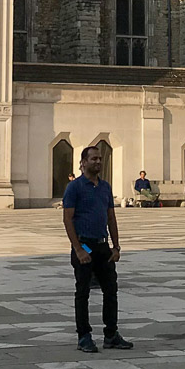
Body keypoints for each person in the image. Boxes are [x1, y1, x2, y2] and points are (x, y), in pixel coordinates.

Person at [62, 145, 134, 354]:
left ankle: (111, 334)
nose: (98, 162)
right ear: (83, 162)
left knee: (111, 290)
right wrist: (78, 249)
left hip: (102, 244)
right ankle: (84, 336)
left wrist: (116, 246)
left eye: (100, 159)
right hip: (84, 243)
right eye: (93, 159)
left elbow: (111, 217)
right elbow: (67, 219)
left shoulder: (104, 187)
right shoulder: (74, 187)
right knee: (83, 291)